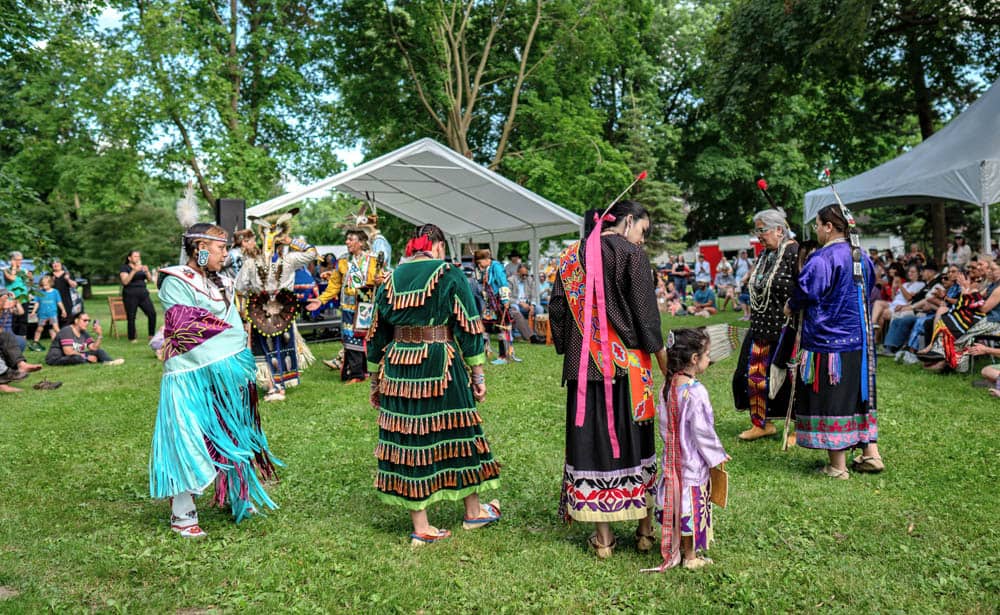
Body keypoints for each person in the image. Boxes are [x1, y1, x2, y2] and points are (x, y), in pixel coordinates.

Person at [367, 223, 501, 546]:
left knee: (409, 439)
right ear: (438, 246)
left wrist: (374, 380)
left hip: (399, 369)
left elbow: (375, 335)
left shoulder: (388, 279)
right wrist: (478, 375)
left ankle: (422, 526)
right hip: (441, 364)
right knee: (461, 432)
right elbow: (469, 326)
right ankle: (473, 512)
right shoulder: (449, 273)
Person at [549, 200, 668, 558]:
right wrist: (664, 360)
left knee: (594, 444)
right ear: (628, 221)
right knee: (636, 442)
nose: (642, 240)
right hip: (628, 366)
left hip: (584, 367)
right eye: (643, 231)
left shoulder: (571, 257)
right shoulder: (631, 255)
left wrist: (567, 346)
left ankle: (603, 540)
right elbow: (646, 316)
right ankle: (644, 531)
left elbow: (556, 308)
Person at [150, 222, 280, 538]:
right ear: (201, 249)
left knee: (234, 432)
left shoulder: (223, 282)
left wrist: (237, 345)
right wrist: (234, 339)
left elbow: (232, 323)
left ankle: (238, 497)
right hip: (191, 375)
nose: (226, 254)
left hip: (227, 372)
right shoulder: (176, 281)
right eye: (221, 249)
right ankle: (183, 513)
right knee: (188, 437)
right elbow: (185, 327)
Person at [786, 204, 882, 477]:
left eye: (817, 225)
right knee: (860, 397)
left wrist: (791, 305)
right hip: (860, 342)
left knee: (834, 400)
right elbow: (870, 285)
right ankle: (870, 453)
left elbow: (807, 291)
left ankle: (837, 467)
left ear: (829, 226)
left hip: (829, 344)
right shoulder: (861, 256)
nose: (816, 230)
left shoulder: (823, 258)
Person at [653, 328, 729, 570]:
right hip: (692, 463)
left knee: (678, 505)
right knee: (689, 507)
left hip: (673, 460)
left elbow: (664, 426)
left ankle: (682, 549)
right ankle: (690, 556)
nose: (710, 359)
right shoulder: (695, 392)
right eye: (707, 355)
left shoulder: (667, 387)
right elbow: (703, 432)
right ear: (694, 359)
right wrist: (717, 456)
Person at [732, 208, 799, 443]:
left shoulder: (794, 252)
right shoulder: (764, 255)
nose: (758, 235)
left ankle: (797, 427)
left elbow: (804, 289)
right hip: (760, 326)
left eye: (762, 230)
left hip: (786, 329)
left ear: (779, 230)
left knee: (790, 378)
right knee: (751, 376)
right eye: (756, 230)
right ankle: (762, 423)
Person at [236, 212, 318, 401]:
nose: (270, 245)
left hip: (283, 312)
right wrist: (243, 314)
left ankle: (279, 386)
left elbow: (312, 253)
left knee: (281, 347)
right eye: (267, 239)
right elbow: (240, 288)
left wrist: (291, 240)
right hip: (259, 311)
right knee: (264, 349)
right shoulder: (251, 263)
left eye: (275, 241)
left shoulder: (289, 261)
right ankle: (272, 384)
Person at [307, 228, 384, 383]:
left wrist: (380, 280)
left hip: (367, 303)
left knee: (367, 338)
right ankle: (356, 374)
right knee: (350, 338)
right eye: (347, 239)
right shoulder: (343, 261)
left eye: (351, 239)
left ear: (361, 242)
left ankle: (368, 370)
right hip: (348, 305)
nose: (347, 242)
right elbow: (335, 284)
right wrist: (321, 300)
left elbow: (382, 278)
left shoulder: (374, 259)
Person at [472, 248, 543, 365]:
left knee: (503, 328)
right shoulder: (487, 268)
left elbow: (503, 283)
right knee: (486, 325)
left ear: (486, 259)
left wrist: (505, 300)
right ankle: (483, 351)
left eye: (480, 262)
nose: (479, 265)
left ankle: (504, 356)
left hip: (499, 302)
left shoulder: (497, 267)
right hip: (491, 302)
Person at [45, 312, 124, 366]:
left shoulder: (83, 332)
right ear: (76, 321)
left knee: (99, 351)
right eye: (85, 320)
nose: (87, 323)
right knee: (77, 358)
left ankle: (109, 362)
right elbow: (68, 352)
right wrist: (86, 357)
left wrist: (99, 335)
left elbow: (94, 348)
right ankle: (91, 360)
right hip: (57, 358)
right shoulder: (67, 331)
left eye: (88, 321)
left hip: (73, 356)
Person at [119, 250, 157, 343]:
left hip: (143, 294)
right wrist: (134, 270)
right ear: (129, 258)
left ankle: (151, 335)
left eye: (138, 256)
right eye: (135, 256)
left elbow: (150, 280)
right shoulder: (124, 268)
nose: (137, 258)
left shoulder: (142, 267)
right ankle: (132, 338)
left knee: (152, 313)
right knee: (131, 316)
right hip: (130, 295)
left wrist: (147, 271)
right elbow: (125, 282)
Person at [30, 275, 65, 350]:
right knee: (40, 328)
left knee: (55, 328)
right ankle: (35, 343)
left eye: (46, 285)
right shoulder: (39, 292)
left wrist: (63, 310)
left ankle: (61, 342)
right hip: (42, 315)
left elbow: (59, 302)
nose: (44, 287)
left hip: (52, 314)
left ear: (51, 283)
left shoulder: (55, 292)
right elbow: (37, 303)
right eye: (42, 285)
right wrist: (33, 311)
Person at [3, 251, 31, 337]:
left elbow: (29, 282)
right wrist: (14, 267)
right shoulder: (6, 270)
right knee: (13, 321)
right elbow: (12, 278)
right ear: (12, 260)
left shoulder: (24, 271)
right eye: (17, 260)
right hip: (11, 299)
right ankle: (11, 340)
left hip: (23, 298)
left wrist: (30, 278)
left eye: (21, 260)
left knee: (23, 321)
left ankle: (23, 340)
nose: (20, 262)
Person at [49, 260, 81, 327]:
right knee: (53, 321)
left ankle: (66, 334)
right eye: (53, 263)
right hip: (52, 301)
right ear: (51, 265)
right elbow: (44, 286)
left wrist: (68, 279)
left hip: (66, 300)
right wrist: (52, 280)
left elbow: (74, 285)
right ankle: (56, 335)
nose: (55, 264)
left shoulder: (67, 274)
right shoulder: (49, 275)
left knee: (67, 319)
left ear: (61, 264)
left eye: (57, 262)